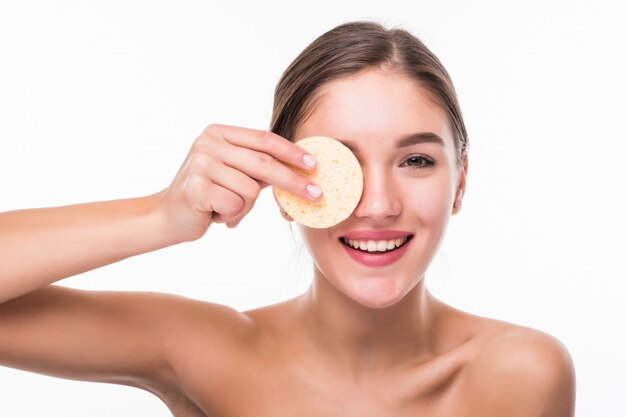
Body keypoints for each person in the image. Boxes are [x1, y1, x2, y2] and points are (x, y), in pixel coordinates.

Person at [0, 21, 575, 416]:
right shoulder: (206, 354)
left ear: (461, 183)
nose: (377, 205)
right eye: (340, 162)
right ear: (283, 188)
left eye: (417, 160)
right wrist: (163, 215)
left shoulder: (521, 375)